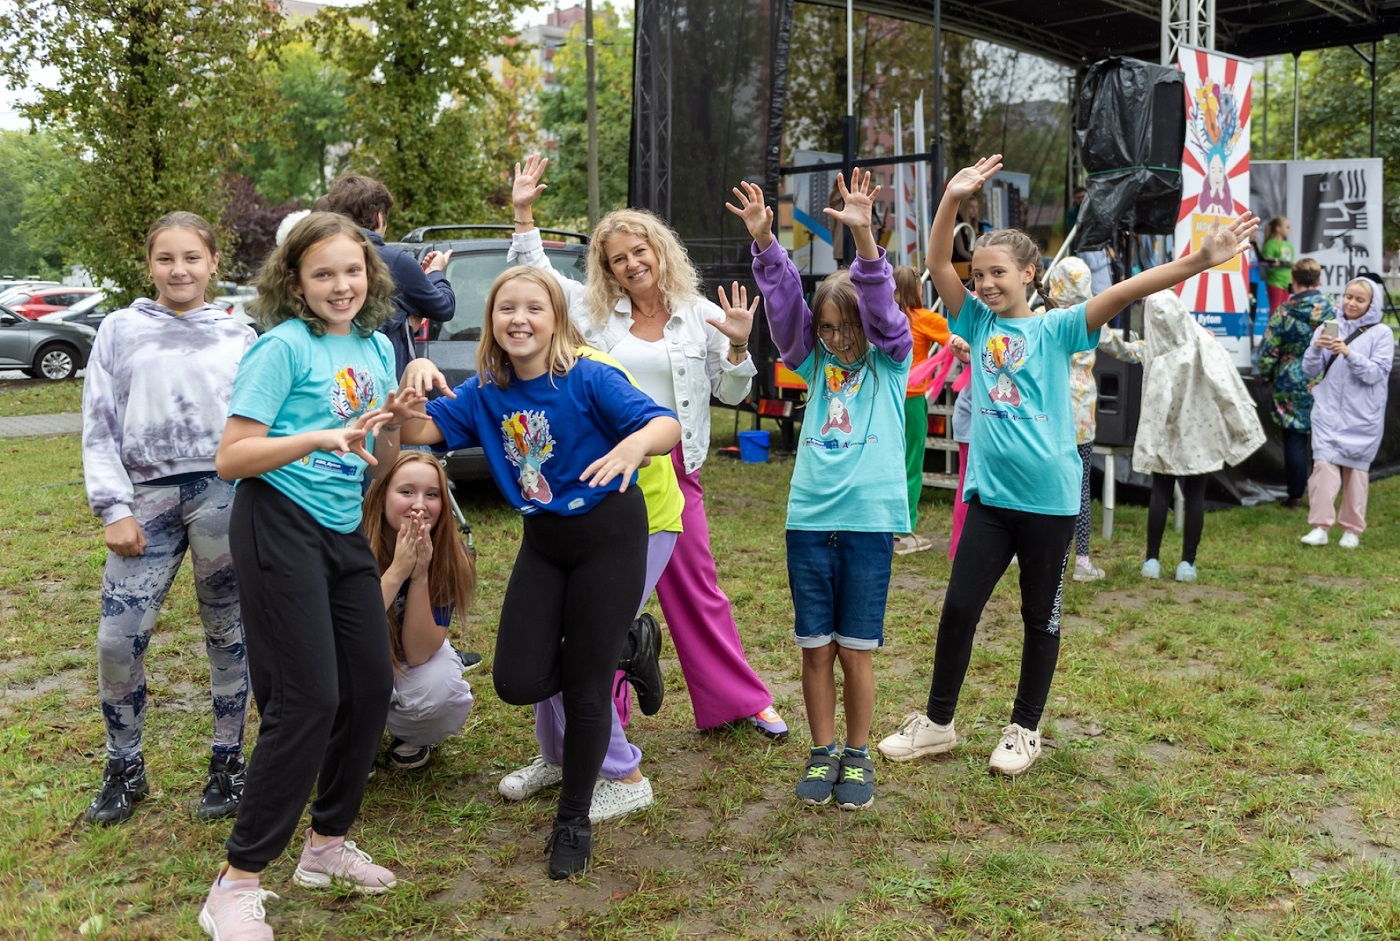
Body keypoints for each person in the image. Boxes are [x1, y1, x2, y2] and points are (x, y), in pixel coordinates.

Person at [878, 154, 1258, 777]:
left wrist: (1196, 260)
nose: (985, 284)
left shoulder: (1059, 329)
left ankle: (1023, 729)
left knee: (1039, 618)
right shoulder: (973, 317)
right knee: (957, 610)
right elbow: (940, 260)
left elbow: (1129, 289)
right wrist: (950, 199)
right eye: (980, 276)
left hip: (1050, 504)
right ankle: (939, 723)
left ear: (1030, 274)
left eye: (998, 273)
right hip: (992, 502)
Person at [396, 265, 681, 879]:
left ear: (557, 320)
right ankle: (628, 646)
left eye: (534, 308)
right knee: (518, 680)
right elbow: (418, 432)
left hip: (609, 535)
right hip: (545, 543)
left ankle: (573, 819)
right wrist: (413, 381)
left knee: (583, 688)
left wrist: (634, 446)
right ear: (492, 323)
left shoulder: (588, 376)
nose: (518, 319)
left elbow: (665, 424)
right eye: (506, 309)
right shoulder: (485, 392)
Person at [507, 153, 789, 741]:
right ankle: (603, 719)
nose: (632, 264)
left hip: (673, 470)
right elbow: (539, 279)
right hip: (609, 472)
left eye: (640, 251)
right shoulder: (593, 313)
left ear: (660, 252)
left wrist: (739, 349)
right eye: (618, 259)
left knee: (698, 591)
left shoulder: (700, 313)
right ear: (607, 269)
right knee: (603, 600)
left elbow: (733, 392)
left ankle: (741, 699)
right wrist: (524, 212)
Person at [199, 212, 415, 940]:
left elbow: (378, 444)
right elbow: (233, 456)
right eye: (324, 273)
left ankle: (325, 846)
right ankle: (236, 881)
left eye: (352, 271)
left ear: (370, 274)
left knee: (369, 684)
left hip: (339, 525)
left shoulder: (377, 345)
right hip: (276, 522)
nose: (342, 285)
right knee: (306, 700)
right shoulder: (280, 348)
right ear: (295, 282)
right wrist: (317, 437)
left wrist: (401, 417)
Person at [728, 170, 910, 811]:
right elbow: (784, 316)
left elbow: (883, 306)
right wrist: (767, 246)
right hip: (808, 520)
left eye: (846, 327)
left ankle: (857, 755)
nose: (838, 338)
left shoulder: (892, 361)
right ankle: (822, 750)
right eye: (828, 328)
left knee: (856, 651)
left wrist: (863, 237)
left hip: (867, 522)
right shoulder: (815, 363)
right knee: (815, 649)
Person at [80, 212, 256, 825]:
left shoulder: (242, 336)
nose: (179, 269)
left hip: (225, 495)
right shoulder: (120, 329)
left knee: (229, 635)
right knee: (116, 640)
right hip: (145, 501)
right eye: (166, 258)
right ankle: (124, 767)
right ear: (149, 265)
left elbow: (260, 427)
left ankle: (227, 763)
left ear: (213, 263)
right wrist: (113, 507)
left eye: (191, 257)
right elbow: (99, 423)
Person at [498, 335, 691, 825]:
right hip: (567, 532)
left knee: (579, 646)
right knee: (547, 637)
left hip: (634, 524)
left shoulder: (591, 371)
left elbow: (653, 440)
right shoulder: (516, 379)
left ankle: (624, 775)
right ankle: (562, 752)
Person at [1133, 290, 1265, 582]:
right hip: (1200, 433)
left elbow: (1127, 355)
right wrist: (1242, 426)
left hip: (1164, 435)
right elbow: (1227, 385)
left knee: (1160, 493)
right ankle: (1187, 564)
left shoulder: (1153, 353)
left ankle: (1151, 560)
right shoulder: (1205, 342)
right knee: (1195, 497)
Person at [362, 452, 476, 770]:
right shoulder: (351, 543)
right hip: (352, 660)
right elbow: (348, 633)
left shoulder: (452, 556)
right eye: (406, 492)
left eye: (432, 494)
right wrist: (397, 570)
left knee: (443, 685)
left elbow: (419, 652)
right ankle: (353, 737)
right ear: (381, 495)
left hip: (404, 662)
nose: (420, 505)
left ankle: (410, 733)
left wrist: (419, 574)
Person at [321, 173, 456, 379]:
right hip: (382, 378)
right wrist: (436, 272)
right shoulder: (394, 261)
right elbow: (443, 307)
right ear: (379, 217)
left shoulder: (318, 256)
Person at [1299, 275, 1393, 549]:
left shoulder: (1381, 334)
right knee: (1323, 466)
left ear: (1371, 304)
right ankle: (1320, 526)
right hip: (1328, 410)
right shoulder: (1329, 327)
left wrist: (1349, 354)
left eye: (1360, 299)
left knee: (1355, 471)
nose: (1352, 303)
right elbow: (1309, 369)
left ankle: (1352, 529)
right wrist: (1316, 349)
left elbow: (1376, 373)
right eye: (1349, 297)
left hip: (1362, 414)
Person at [1256, 258, 1336, 508]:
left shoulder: (1284, 311)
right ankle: (1326, 493)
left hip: (1290, 381)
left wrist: (1269, 375)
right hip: (1324, 379)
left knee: (1294, 439)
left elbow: (1268, 351)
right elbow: (1334, 346)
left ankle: (1295, 495)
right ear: (1319, 280)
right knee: (1325, 439)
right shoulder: (1331, 309)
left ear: (1294, 280)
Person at [892, 265, 949, 554]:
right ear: (917, 289)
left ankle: (885, 526)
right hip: (912, 398)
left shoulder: (887, 319)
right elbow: (955, 339)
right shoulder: (924, 318)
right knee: (911, 463)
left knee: (888, 462)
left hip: (887, 398)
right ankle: (903, 531)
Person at [1260, 216, 1296, 314]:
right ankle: (1271, 329)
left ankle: (1282, 329)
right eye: (1287, 227)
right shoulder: (1270, 244)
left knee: (1285, 309)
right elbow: (1266, 263)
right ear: (1278, 228)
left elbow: (1291, 261)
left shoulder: (1289, 246)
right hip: (1275, 281)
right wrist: (1274, 264)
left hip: (1287, 281)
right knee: (1275, 308)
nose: (1289, 230)